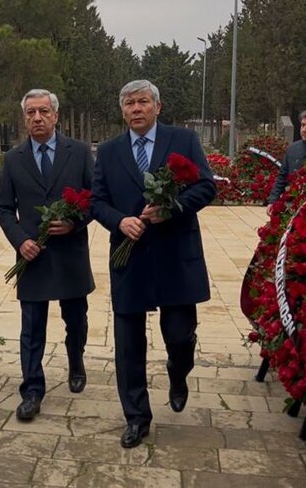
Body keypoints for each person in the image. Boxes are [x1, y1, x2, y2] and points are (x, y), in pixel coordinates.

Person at [91, 79, 216, 448]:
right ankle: (136, 417)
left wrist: (172, 208)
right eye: (129, 103)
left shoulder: (183, 141)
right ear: (122, 110)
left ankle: (178, 375)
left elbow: (206, 186)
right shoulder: (110, 151)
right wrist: (118, 220)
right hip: (130, 258)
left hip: (176, 255)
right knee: (128, 344)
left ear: (157, 107)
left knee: (179, 336)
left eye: (143, 102)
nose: (136, 109)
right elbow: (96, 200)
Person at [0, 89, 95, 422]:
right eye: (30, 113)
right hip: (32, 256)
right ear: (24, 118)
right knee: (31, 326)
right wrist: (20, 240)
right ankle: (32, 389)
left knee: (76, 320)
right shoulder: (13, 159)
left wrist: (74, 222)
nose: (36, 118)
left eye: (42, 111)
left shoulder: (80, 153)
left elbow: (95, 200)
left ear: (55, 116)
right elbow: (4, 209)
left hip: (70, 254)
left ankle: (76, 360)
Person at [267, 109, 306, 213]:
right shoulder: (293, 149)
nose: (304, 129)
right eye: (303, 125)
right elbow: (282, 176)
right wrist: (272, 201)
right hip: (293, 206)